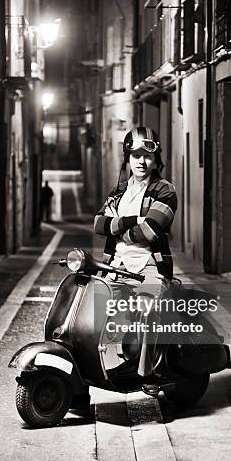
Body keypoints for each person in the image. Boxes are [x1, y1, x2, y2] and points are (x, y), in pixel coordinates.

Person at [94, 126, 177, 395]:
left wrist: (116, 225)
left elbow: (151, 230)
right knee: (89, 308)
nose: (142, 161)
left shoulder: (165, 191)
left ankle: (147, 374)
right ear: (127, 158)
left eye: (148, 156)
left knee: (150, 308)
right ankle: (84, 376)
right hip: (116, 266)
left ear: (156, 160)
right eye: (136, 155)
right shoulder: (118, 191)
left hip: (150, 266)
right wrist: (132, 222)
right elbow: (97, 224)